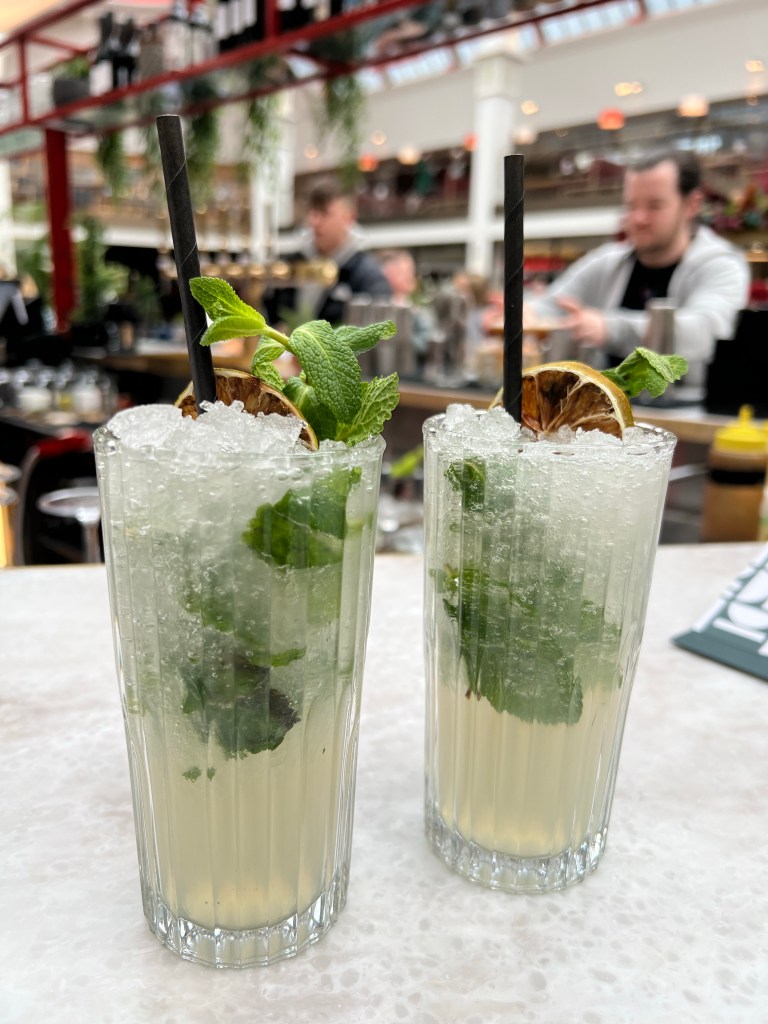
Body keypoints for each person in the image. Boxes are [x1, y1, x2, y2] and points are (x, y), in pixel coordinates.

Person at [525, 151, 750, 385]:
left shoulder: (721, 265)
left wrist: (609, 328)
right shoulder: (607, 262)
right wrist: (525, 314)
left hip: (685, 405)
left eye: (655, 206)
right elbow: (550, 306)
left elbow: (706, 332)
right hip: (604, 405)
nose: (639, 218)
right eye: (631, 206)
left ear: (692, 205)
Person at [266, 179, 391, 328]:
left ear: (348, 218)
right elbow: (269, 309)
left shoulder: (367, 275)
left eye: (324, 214)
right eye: (312, 213)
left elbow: (375, 329)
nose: (314, 222)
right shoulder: (292, 262)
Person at [379, 249, 434, 371]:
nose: (410, 277)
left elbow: (427, 341)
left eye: (410, 271)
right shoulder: (381, 306)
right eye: (403, 271)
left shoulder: (416, 309)